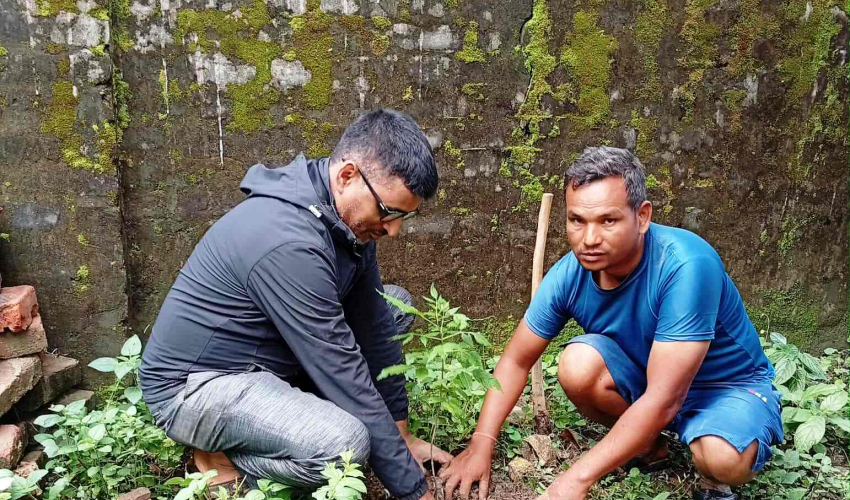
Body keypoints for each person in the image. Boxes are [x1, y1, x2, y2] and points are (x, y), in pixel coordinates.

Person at [139, 109, 452, 500]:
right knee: (346, 445)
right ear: (347, 176)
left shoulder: (344, 220)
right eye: (388, 212)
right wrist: (414, 490)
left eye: (404, 216)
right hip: (197, 387)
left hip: (268, 358)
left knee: (395, 308)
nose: (393, 229)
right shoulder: (288, 240)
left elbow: (372, 328)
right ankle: (225, 462)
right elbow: (343, 371)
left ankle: (272, 428)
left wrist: (401, 436)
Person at [440, 147, 783, 500]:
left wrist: (573, 481)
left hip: (724, 388)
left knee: (722, 457)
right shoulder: (569, 274)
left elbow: (666, 398)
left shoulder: (686, 265)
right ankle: (648, 446)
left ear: (643, 216)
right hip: (650, 380)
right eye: (577, 220)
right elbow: (516, 360)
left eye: (608, 220)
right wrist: (481, 445)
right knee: (577, 365)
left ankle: (716, 466)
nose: (589, 239)